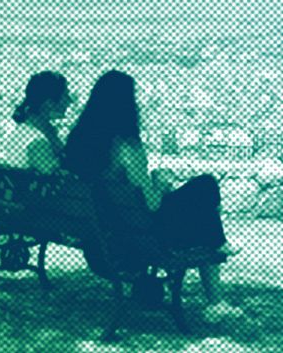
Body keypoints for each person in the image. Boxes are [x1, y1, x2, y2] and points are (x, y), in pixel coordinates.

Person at [64, 70, 239, 312]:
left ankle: (218, 245)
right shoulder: (127, 146)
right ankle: (216, 293)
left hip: (101, 238)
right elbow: (152, 205)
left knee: (201, 207)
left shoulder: (78, 142)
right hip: (140, 241)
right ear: (127, 104)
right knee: (205, 186)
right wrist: (162, 182)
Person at [10, 71, 71, 174]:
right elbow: (57, 178)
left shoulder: (21, 130)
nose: (70, 101)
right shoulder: (38, 142)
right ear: (49, 103)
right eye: (65, 95)